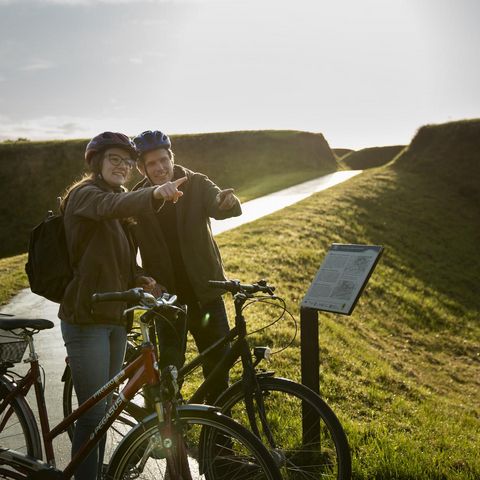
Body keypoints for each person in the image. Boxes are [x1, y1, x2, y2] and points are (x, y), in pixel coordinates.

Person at [59, 131, 185, 480]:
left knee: (104, 413)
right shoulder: (86, 195)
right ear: (97, 162)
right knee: (93, 416)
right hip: (86, 318)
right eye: (115, 159)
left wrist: (141, 278)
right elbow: (108, 207)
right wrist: (155, 192)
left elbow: (123, 260)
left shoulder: (120, 198)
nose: (123, 166)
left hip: (115, 316)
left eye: (128, 162)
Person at [131, 130, 241, 403]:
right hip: (167, 300)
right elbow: (127, 249)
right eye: (152, 164)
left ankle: (219, 440)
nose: (160, 168)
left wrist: (226, 202)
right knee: (169, 371)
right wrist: (142, 277)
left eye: (163, 160)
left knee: (218, 369)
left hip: (207, 295)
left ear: (171, 157)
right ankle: (169, 436)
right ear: (142, 168)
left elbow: (219, 203)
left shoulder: (197, 183)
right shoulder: (138, 198)